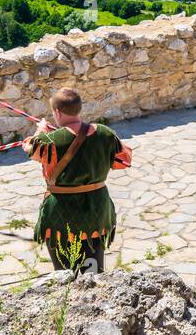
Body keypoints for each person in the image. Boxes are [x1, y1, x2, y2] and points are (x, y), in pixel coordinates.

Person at [23, 88, 133, 274]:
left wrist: (41, 130)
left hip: (61, 212)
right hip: (97, 208)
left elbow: (31, 149)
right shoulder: (105, 134)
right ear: (78, 108)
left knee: (64, 273)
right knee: (93, 269)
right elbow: (124, 160)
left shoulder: (48, 140)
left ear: (57, 112)